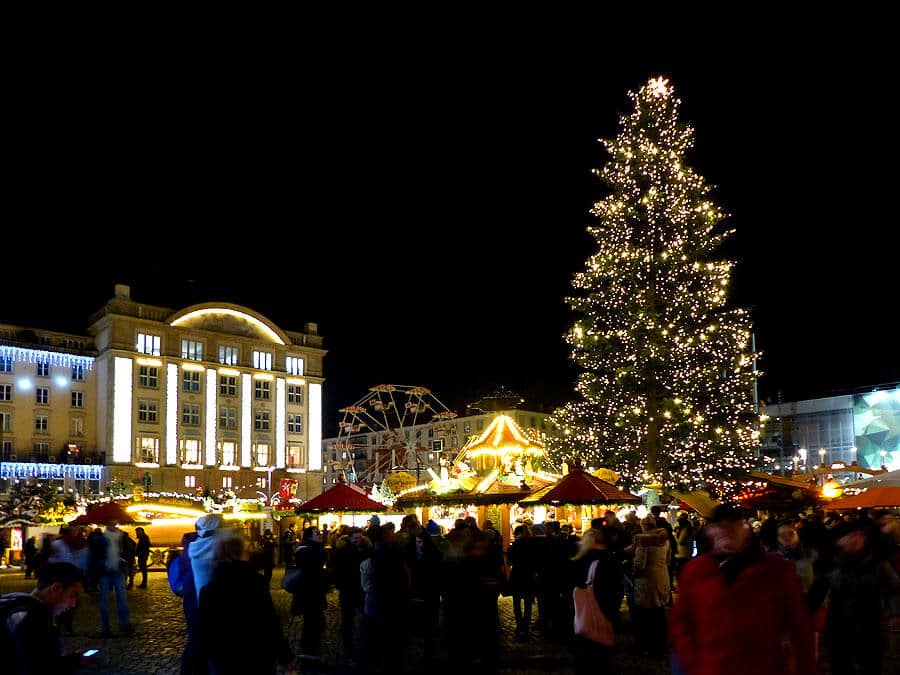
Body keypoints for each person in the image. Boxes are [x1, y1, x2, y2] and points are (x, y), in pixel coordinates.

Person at [670, 504, 815, 675]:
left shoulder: (777, 570)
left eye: (732, 526)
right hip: (711, 667)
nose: (725, 532)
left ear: (745, 530)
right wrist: (694, 663)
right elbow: (681, 623)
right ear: (710, 531)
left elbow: (799, 626)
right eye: (719, 526)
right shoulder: (696, 571)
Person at [198, 534, 294, 674]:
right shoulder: (256, 583)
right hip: (257, 654)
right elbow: (269, 621)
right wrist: (284, 655)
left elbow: (204, 630)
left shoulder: (208, 590)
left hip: (224, 658)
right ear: (242, 553)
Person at [0, 561, 98, 673]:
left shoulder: (15, 602)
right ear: (56, 588)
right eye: (72, 595)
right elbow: (40, 666)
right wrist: (75, 661)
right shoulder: (36, 618)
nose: (73, 604)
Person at [570, 528, 622, 675]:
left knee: (586, 659)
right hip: (602, 615)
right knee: (600, 658)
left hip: (582, 618)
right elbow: (613, 591)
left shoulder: (580, 560)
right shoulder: (609, 560)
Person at [89, 519, 133, 637]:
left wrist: (126, 562)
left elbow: (128, 552)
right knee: (104, 600)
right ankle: (106, 626)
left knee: (122, 599)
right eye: (110, 524)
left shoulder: (122, 538)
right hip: (105, 570)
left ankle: (124, 624)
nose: (113, 526)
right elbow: (94, 556)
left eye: (114, 523)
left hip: (118, 570)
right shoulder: (100, 539)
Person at [290, 526, 327, 666]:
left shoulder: (312, 548)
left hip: (313, 591)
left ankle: (311, 649)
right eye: (316, 533)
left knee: (314, 620)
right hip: (309, 592)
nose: (320, 535)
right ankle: (309, 651)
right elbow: (312, 570)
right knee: (312, 620)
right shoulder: (307, 550)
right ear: (309, 536)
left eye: (320, 533)